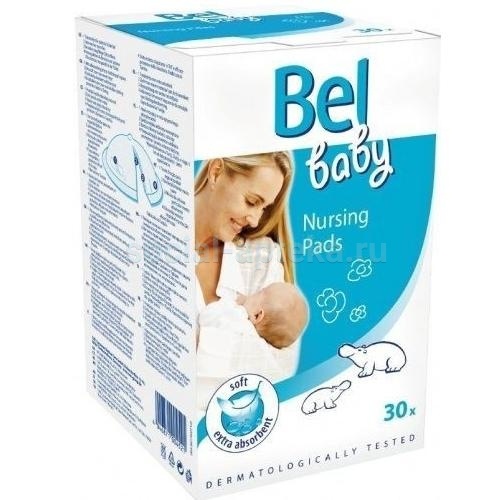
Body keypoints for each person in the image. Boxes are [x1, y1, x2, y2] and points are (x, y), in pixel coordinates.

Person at [194, 152, 304, 408]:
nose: (255, 220)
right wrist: (241, 346)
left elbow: (277, 370)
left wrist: (199, 342)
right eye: (251, 201)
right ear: (216, 172)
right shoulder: (155, 252)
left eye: (263, 208)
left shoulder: (260, 258)